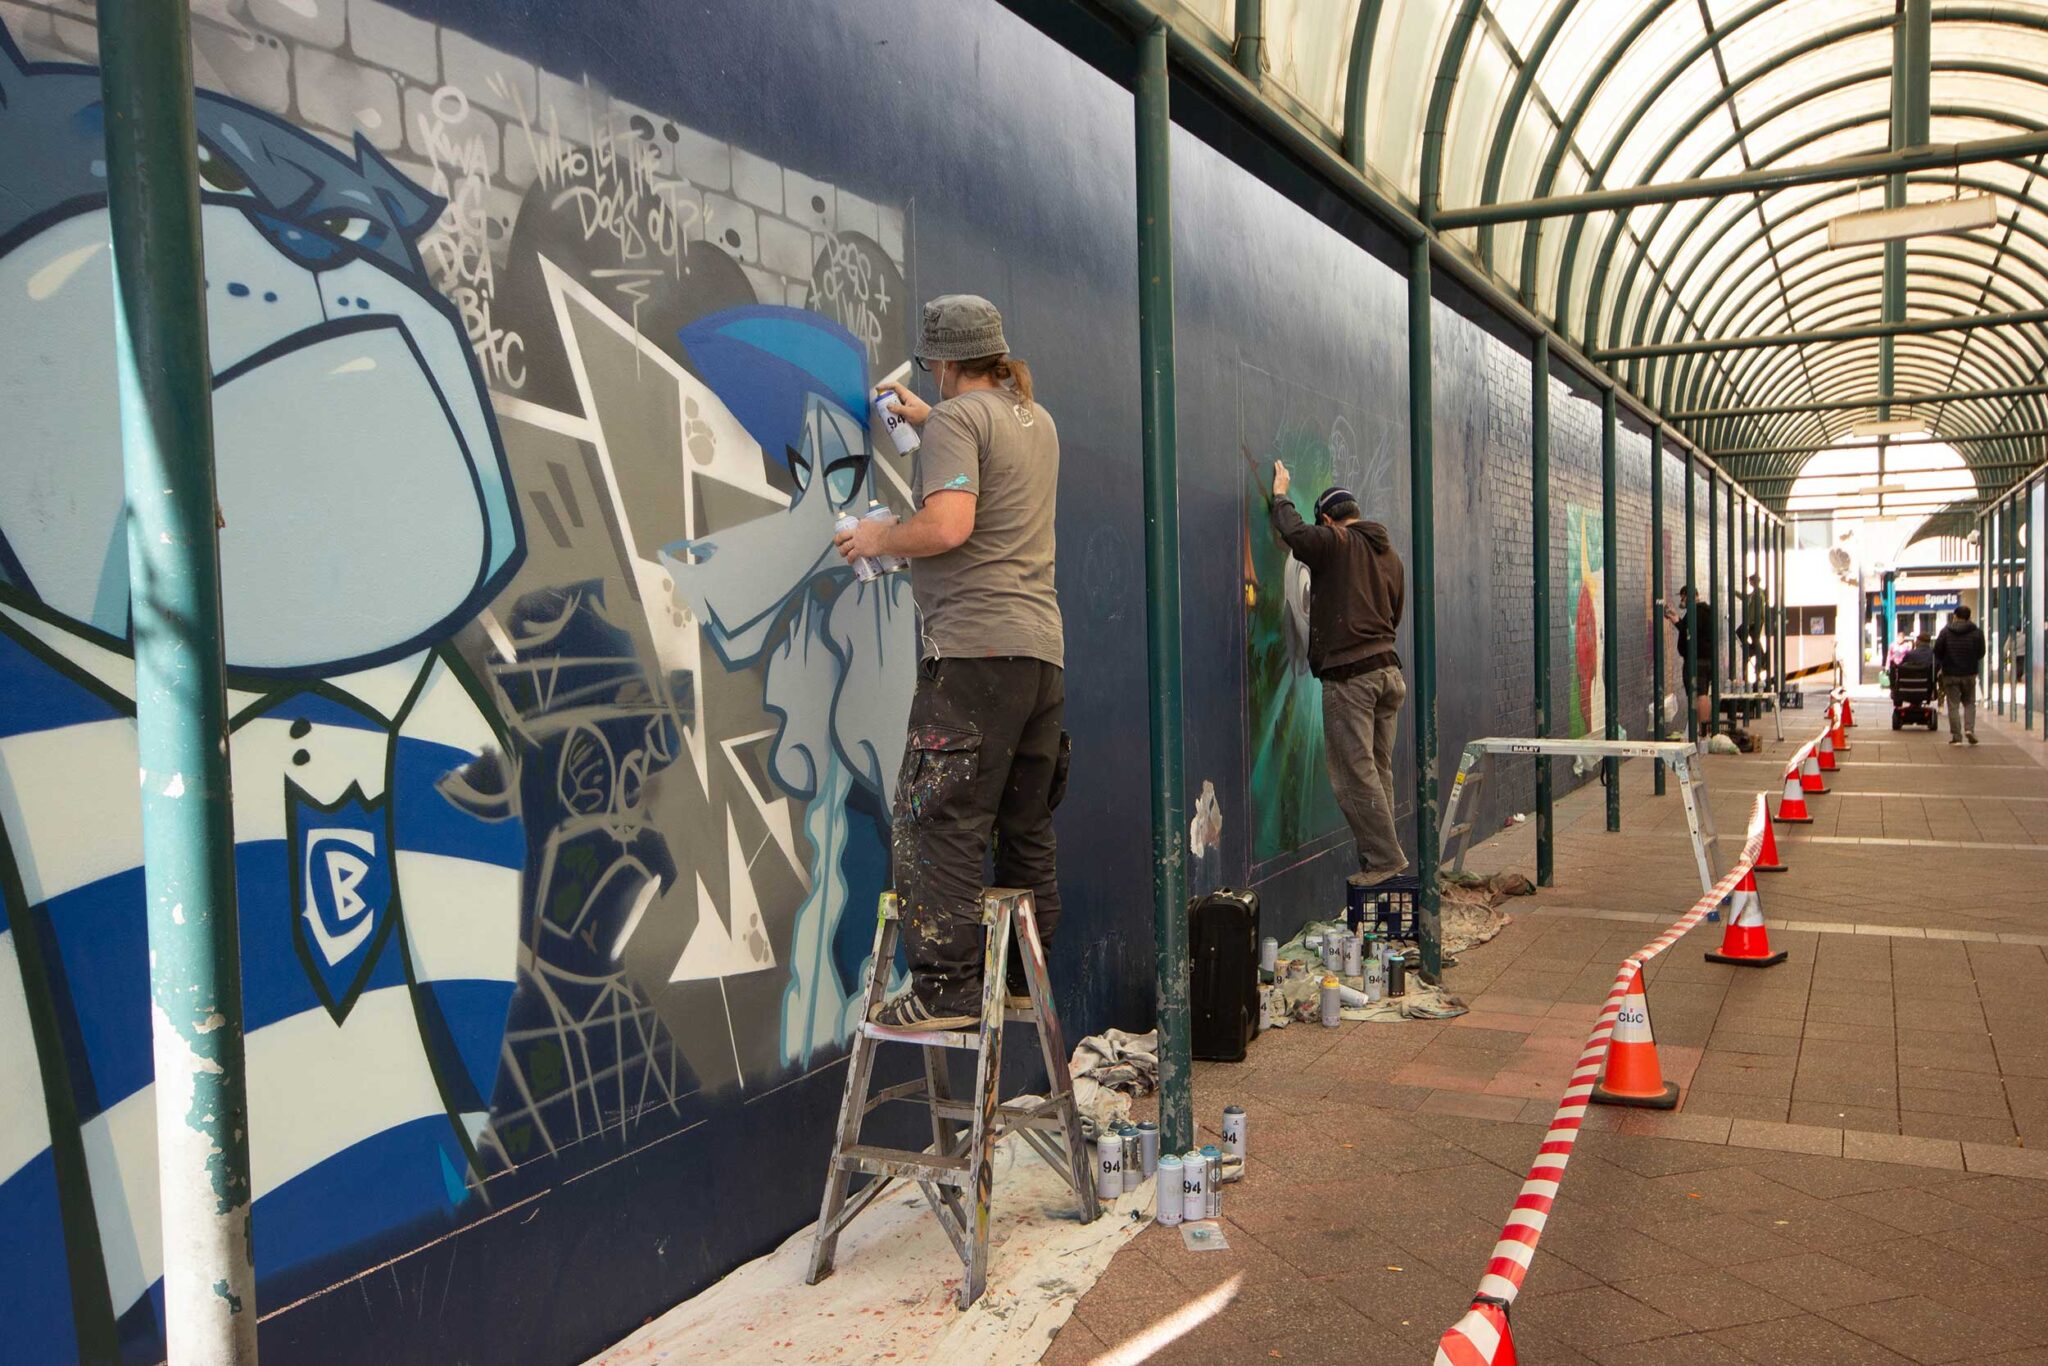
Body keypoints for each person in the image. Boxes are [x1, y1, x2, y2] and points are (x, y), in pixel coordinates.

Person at [835, 294, 1066, 1030]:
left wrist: (877, 540)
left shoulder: (961, 421)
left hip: (972, 655)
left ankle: (946, 990)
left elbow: (949, 524)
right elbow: (980, 449)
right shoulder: (1034, 420)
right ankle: (1024, 981)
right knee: (1023, 823)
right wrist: (927, 422)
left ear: (942, 362)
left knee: (935, 818)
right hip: (1039, 660)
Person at [1267, 459, 1409, 887]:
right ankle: (1382, 861)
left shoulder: (1337, 541)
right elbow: (1394, 614)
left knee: (1352, 773)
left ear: (1328, 520)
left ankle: (1385, 861)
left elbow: (1294, 533)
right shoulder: (1390, 556)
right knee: (1376, 771)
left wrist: (1280, 494)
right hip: (1388, 673)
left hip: (1352, 677)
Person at [1664, 585, 1716, 731]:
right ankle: (1702, 728)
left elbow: (1689, 632)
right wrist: (1676, 619)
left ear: (1687, 596)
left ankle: (1703, 730)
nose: (1681, 600)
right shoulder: (1705, 611)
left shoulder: (1696, 612)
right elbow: (1690, 629)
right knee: (1702, 693)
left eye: (1682, 597)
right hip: (1705, 660)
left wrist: (1676, 620)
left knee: (1700, 695)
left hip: (1697, 661)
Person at [1933, 605, 1986, 746]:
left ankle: (1957, 736)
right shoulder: (1977, 632)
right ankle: (1969, 729)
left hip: (1950, 673)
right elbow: (1981, 653)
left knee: (1953, 705)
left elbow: (1937, 650)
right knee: (1969, 702)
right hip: (1969, 673)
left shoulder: (1945, 631)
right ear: (1969, 617)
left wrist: (1945, 660)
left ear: (1955, 616)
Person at [1742, 573, 1767, 682]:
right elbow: (1745, 598)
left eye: (1750, 581)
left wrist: (1755, 620)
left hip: (1754, 622)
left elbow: (1758, 608)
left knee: (1755, 640)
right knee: (1754, 639)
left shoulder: (1758, 593)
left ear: (1754, 581)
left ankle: (1759, 657)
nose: (1749, 583)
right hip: (1753, 621)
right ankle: (1752, 651)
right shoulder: (1754, 593)